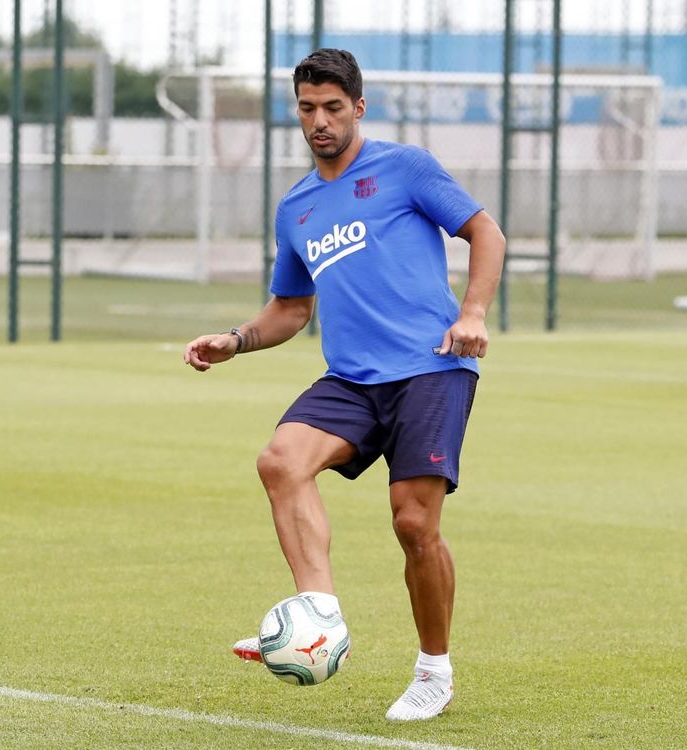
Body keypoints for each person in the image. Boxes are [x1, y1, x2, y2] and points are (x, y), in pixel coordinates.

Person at [183, 48, 505, 722]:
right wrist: (237, 340)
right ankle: (319, 615)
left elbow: (485, 232)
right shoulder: (297, 207)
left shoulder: (405, 168)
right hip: (352, 379)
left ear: (358, 107)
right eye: (307, 109)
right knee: (281, 461)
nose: (319, 121)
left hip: (431, 368)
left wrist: (473, 312)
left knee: (414, 524)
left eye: (333, 107)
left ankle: (434, 671)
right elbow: (292, 310)